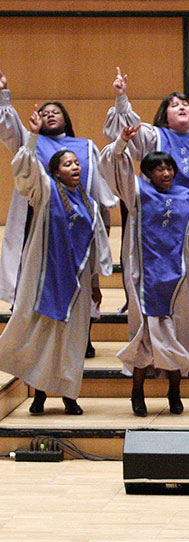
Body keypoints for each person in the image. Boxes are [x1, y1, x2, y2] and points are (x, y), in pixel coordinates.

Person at [103, 67, 189, 361]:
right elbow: (128, 136)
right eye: (174, 105)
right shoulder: (155, 137)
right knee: (164, 281)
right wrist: (121, 97)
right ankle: (159, 339)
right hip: (159, 227)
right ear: (164, 115)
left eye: (185, 104)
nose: (182, 107)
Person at [0, 111, 112, 414]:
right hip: (46, 281)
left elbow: (93, 249)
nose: (75, 167)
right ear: (56, 172)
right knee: (42, 340)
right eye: (67, 164)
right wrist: (34, 137)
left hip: (75, 284)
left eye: (76, 163)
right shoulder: (45, 192)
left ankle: (69, 397)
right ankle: (38, 396)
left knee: (72, 344)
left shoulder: (89, 204)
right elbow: (25, 170)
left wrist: (93, 284)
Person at [0, 70, 116, 358]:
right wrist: (3, 94)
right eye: (44, 112)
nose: (50, 115)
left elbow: (98, 191)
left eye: (56, 112)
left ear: (66, 119)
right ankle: (34, 341)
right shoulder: (30, 141)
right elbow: (7, 128)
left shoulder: (86, 148)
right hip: (37, 225)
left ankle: (83, 337)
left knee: (84, 283)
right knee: (36, 282)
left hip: (76, 227)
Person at [101, 126, 189, 416]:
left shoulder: (187, 197)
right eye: (158, 169)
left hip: (176, 280)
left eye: (169, 168)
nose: (166, 173)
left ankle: (174, 392)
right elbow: (113, 166)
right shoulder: (136, 193)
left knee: (174, 338)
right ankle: (137, 393)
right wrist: (121, 141)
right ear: (148, 173)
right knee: (142, 338)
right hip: (143, 277)